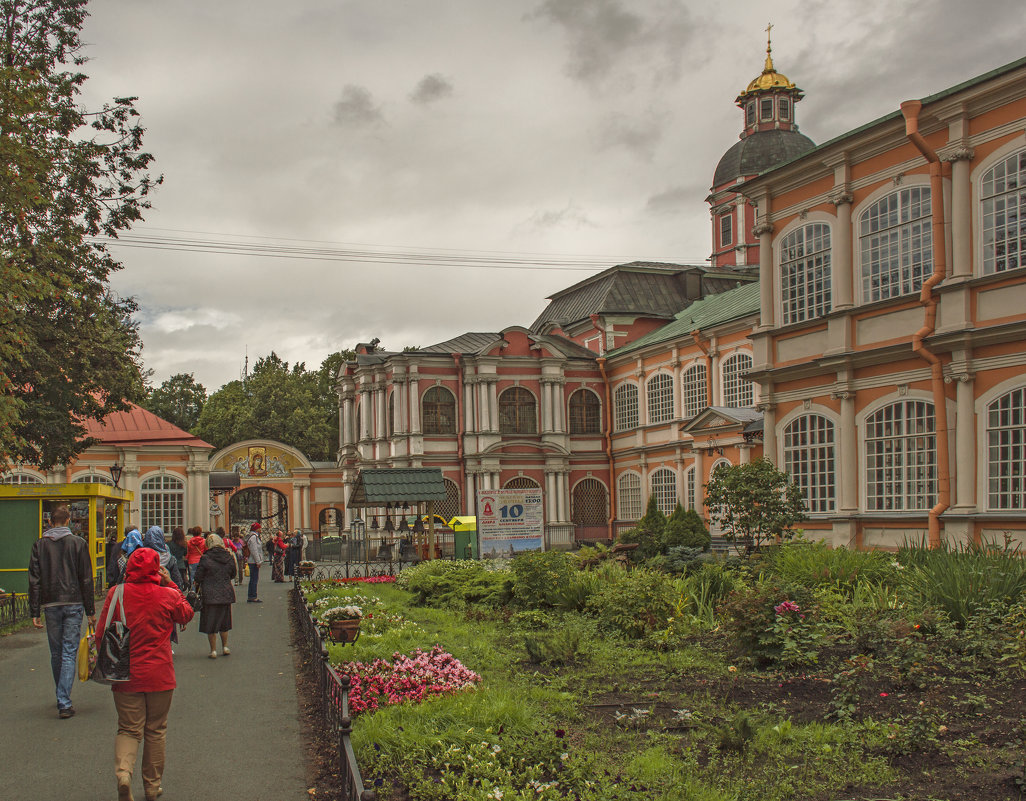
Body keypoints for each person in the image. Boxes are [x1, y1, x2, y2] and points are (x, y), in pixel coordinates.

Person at [95, 547, 193, 801]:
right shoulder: (167, 595)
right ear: (155, 569)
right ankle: (152, 786)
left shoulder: (116, 594)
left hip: (125, 673)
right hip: (160, 673)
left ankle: (124, 774)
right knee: (156, 730)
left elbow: (100, 633)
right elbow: (186, 613)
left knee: (128, 729)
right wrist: (171, 584)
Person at [28, 505, 97, 719]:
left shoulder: (39, 545)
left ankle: (61, 694)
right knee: (69, 651)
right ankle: (64, 700)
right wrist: (90, 610)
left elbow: (34, 580)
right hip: (74, 602)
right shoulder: (78, 543)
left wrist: (34, 610)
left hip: (50, 604)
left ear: (51, 522)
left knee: (56, 652)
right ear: (68, 520)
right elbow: (86, 578)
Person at [192, 533, 237, 658]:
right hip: (225, 592)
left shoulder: (205, 558)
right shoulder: (228, 556)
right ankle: (225, 646)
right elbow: (233, 573)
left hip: (209, 593)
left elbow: (198, 576)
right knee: (225, 622)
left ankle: (213, 650)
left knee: (210, 623)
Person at [246, 523, 264, 602]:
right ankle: (252, 596)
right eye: (259, 528)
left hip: (253, 561)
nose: (261, 529)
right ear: (256, 529)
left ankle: (252, 595)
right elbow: (254, 551)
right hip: (253, 561)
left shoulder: (254, 537)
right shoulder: (253, 538)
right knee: (254, 579)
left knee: (253, 579)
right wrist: (258, 561)